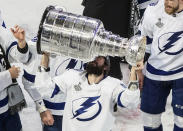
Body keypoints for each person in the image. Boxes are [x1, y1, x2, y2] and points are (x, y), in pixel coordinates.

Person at [35, 54, 143, 131]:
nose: (94, 58)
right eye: (93, 55)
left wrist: (134, 73)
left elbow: (130, 102)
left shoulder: (113, 85)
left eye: (99, 56)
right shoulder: (72, 76)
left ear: (106, 65)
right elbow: (44, 88)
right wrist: (46, 56)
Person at [137, 0, 183, 130]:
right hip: (154, 73)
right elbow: (143, 44)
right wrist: (137, 70)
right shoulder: (152, 10)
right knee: (150, 121)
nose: (166, 2)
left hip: (181, 74)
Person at [22, 37, 86, 131]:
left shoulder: (85, 39)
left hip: (83, 110)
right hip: (55, 115)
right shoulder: (37, 44)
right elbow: (29, 82)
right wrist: (42, 108)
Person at [0, 20, 29, 131]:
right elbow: (9, 74)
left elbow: (22, 58)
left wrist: (21, 42)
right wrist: (8, 75)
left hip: (8, 108)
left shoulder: (1, 35)